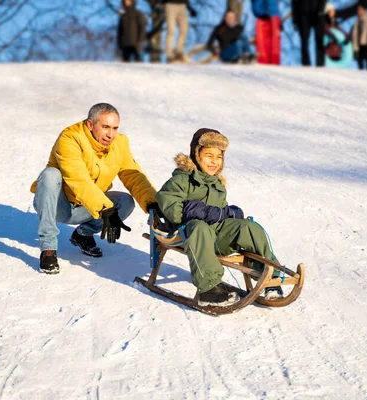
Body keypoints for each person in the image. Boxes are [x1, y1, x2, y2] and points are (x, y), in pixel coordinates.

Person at [155, 128, 285, 307]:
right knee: (199, 226)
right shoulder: (182, 180)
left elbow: (220, 217)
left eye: (219, 157)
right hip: (185, 235)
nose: (214, 161)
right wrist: (202, 211)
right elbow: (171, 208)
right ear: (196, 154)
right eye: (209, 155)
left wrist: (229, 213)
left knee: (248, 227)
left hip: (214, 236)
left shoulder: (217, 184)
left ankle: (270, 278)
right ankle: (208, 290)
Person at [30, 103, 159, 274]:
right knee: (50, 175)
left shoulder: (120, 143)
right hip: (57, 205)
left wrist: (153, 203)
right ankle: (48, 249)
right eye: (105, 127)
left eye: (114, 128)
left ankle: (83, 235)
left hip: (87, 207)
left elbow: (132, 174)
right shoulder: (70, 138)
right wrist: (104, 208)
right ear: (91, 125)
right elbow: (78, 179)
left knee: (125, 202)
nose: (111, 134)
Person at [292, 0, 327, 66]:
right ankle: (306, 64)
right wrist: (295, 19)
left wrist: (321, 10)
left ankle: (320, 64)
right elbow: (294, 2)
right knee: (304, 41)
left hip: (318, 14)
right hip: (303, 15)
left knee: (320, 40)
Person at [323, 2, 353, 68]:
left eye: (333, 11)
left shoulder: (334, 22)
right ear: (327, 12)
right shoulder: (324, 22)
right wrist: (333, 36)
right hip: (329, 50)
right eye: (331, 11)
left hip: (337, 52)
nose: (333, 12)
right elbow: (326, 29)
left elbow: (340, 30)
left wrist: (347, 36)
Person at [251, 0, 281, 65]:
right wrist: (263, 13)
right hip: (263, 19)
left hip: (274, 19)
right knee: (262, 44)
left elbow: (276, 7)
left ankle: (275, 64)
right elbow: (255, 7)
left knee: (275, 44)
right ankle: (263, 63)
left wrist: (279, 19)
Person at [350, 3, 367, 70]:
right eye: (358, 10)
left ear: (365, 11)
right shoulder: (356, 23)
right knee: (360, 67)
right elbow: (353, 35)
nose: (358, 11)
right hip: (359, 47)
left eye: (360, 10)